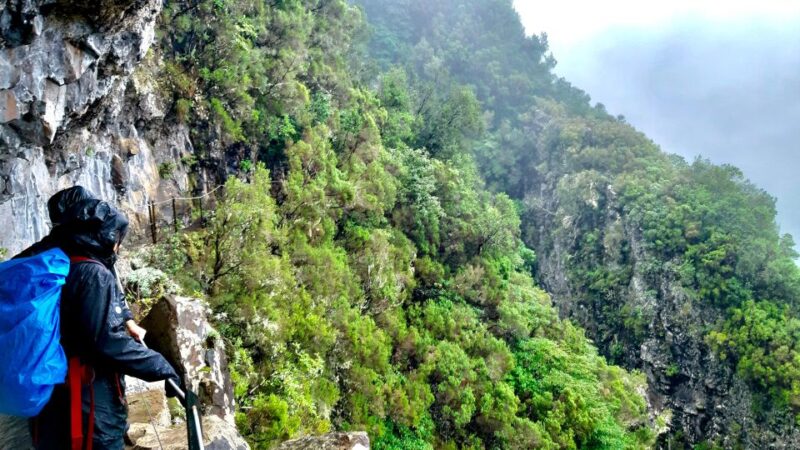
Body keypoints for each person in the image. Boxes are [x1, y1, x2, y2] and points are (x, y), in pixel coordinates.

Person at [19, 188, 181, 450]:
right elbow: (105, 342)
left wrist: (127, 319)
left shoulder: (46, 257)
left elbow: (110, 294)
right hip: (83, 389)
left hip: (44, 381)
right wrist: (160, 366)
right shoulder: (90, 267)